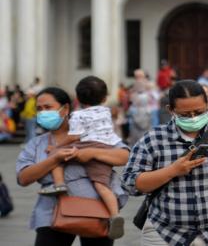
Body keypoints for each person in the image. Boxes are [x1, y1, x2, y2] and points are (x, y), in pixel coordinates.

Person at [122, 80, 208, 246]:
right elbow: (131, 184)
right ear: (171, 110)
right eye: (185, 114)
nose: (193, 118)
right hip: (165, 233)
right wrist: (172, 171)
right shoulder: (153, 139)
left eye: (199, 112)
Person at [16, 87, 129, 246]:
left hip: (97, 211)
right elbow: (23, 178)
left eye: (48, 107)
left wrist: (91, 152)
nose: (43, 113)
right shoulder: (37, 143)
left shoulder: (95, 135)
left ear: (66, 108)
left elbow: (124, 156)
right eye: (39, 109)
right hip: (51, 214)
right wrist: (54, 158)